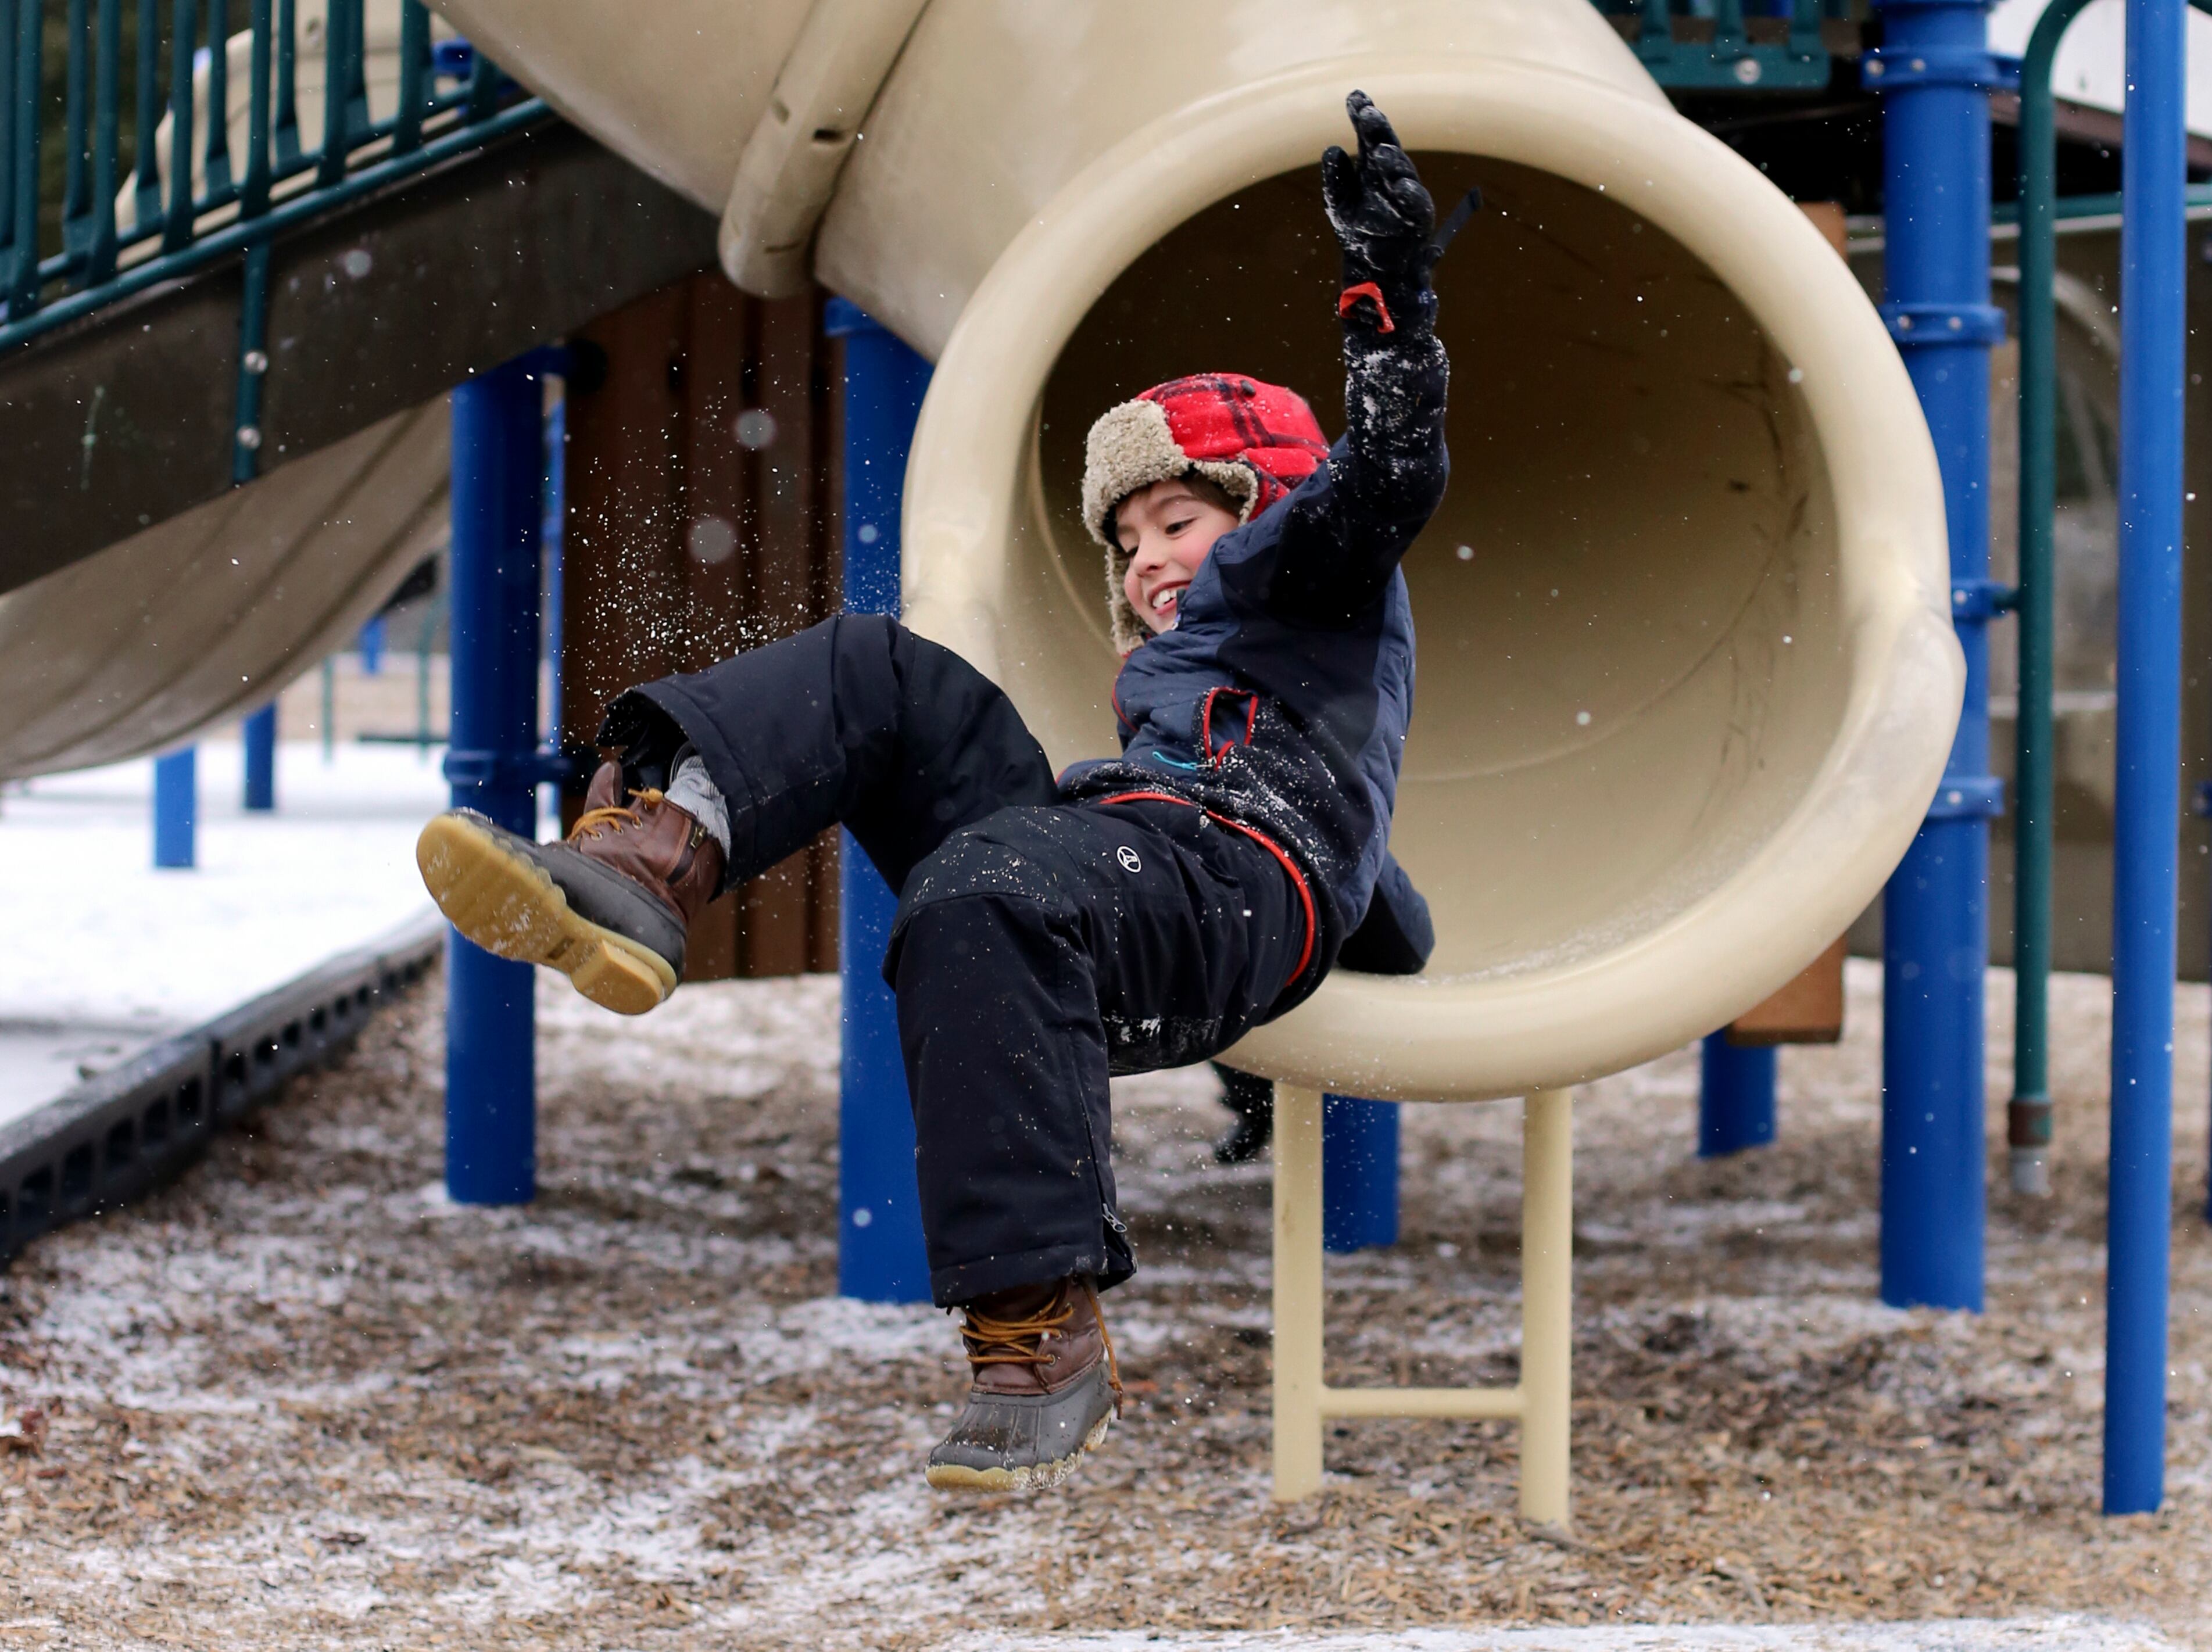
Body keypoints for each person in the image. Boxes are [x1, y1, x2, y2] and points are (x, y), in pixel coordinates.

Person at [416, 91, 1451, 1496]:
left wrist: (1387, 300)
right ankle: (657, 856)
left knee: (989, 890)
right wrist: (1384, 909)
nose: (1149, 559)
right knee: (879, 671)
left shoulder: (1305, 572)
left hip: (1210, 893)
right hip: (1133, 860)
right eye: (1128, 537)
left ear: (1261, 505)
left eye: (1178, 518)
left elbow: (1387, 475)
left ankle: (1038, 1330)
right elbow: (1381, 896)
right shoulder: (1204, 667)